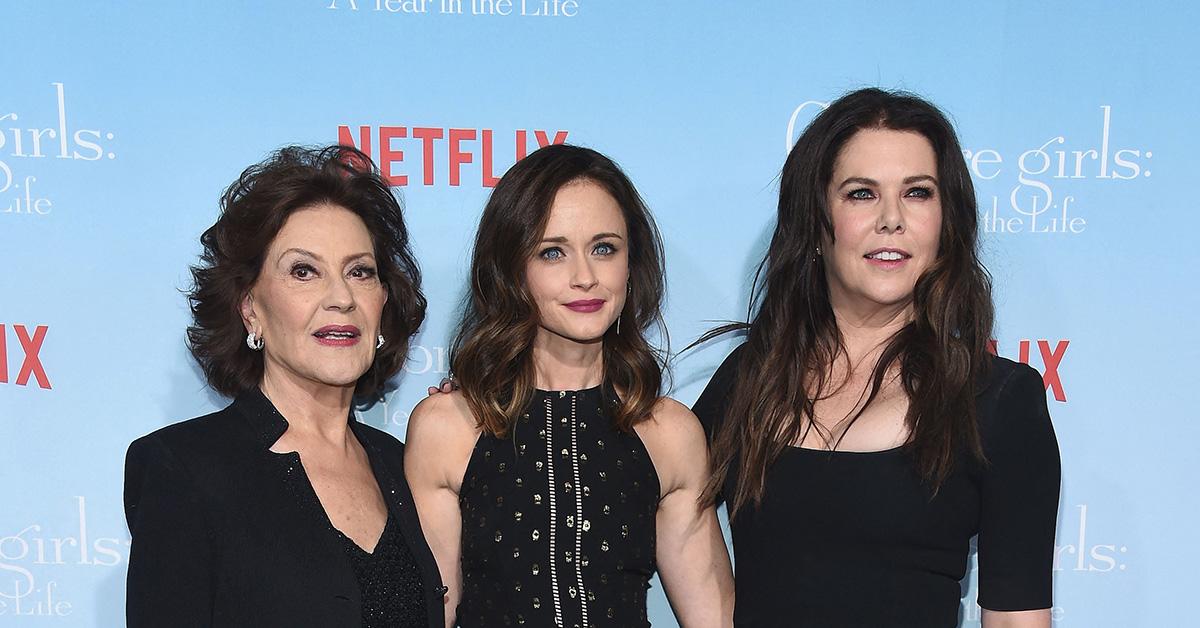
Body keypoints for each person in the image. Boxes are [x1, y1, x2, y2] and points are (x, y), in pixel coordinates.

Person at [692, 88, 1061, 628]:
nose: (891, 218)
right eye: (861, 193)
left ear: (945, 224)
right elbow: (661, 515)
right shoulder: (752, 377)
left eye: (917, 193)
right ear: (817, 223)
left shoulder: (998, 399)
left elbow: (1015, 618)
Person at [406, 144, 735, 627]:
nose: (585, 277)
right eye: (552, 252)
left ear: (631, 263)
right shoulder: (448, 427)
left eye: (604, 249)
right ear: (511, 267)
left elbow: (715, 619)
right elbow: (433, 615)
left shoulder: (669, 432)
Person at [123, 145, 445, 627]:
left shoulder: (402, 466)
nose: (341, 298)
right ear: (250, 306)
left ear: (382, 300)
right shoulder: (184, 467)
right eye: (303, 271)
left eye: (359, 272)